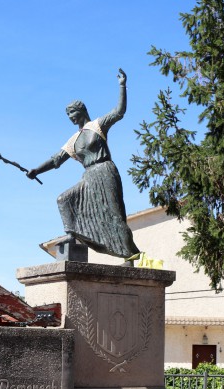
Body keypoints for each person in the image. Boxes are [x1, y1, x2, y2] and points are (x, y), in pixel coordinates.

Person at [28, 68, 140, 261]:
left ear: (82, 111)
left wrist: (122, 86)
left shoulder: (97, 126)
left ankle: (130, 256)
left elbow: (119, 111)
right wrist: (37, 170)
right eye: (68, 115)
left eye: (72, 112)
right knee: (64, 199)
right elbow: (57, 160)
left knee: (114, 215)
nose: (70, 117)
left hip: (105, 171)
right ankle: (72, 235)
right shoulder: (73, 140)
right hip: (89, 176)